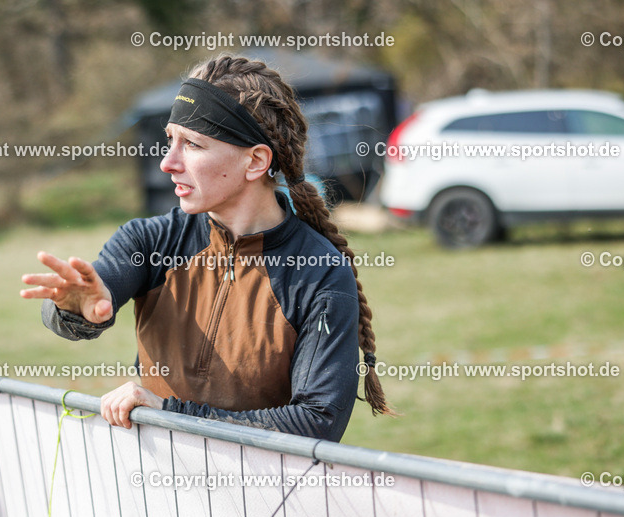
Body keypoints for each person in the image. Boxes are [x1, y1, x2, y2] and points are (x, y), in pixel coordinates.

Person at [19, 54, 392, 441]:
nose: (167, 162)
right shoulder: (151, 241)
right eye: (169, 140)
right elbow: (88, 298)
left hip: (264, 496)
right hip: (156, 490)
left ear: (255, 162)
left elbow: (318, 421)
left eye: (193, 145)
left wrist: (172, 415)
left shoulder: (319, 273)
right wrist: (73, 307)